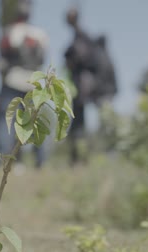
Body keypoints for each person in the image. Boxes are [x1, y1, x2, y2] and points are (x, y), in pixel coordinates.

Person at [0, 0, 49, 168]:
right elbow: (42, 58)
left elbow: (1, 58)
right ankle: (41, 162)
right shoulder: (40, 34)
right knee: (36, 121)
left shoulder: (10, 32)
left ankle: (3, 160)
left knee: (6, 121)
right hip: (34, 84)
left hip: (13, 81)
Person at [64, 7, 118, 165]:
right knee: (79, 124)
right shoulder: (89, 45)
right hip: (85, 89)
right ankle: (79, 159)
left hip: (86, 89)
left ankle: (83, 158)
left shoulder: (88, 45)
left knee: (84, 124)